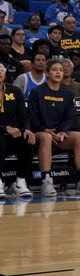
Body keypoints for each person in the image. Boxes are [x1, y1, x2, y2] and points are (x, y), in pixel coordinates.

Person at [26, 58, 80, 197]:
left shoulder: (68, 94)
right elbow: (31, 116)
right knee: (46, 137)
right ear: (47, 73)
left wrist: (62, 131)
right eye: (55, 70)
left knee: (79, 136)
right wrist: (44, 129)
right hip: (40, 133)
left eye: (61, 70)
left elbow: (69, 117)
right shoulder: (37, 92)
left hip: (59, 134)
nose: (58, 72)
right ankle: (46, 180)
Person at [0, 60, 34, 198]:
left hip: (14, 133)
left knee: (28, 140)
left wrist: (27, 129)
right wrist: (5, 128)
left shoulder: (15, 91)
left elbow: (24, 116)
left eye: (1, 69)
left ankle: (20, 181)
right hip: (2, 132)